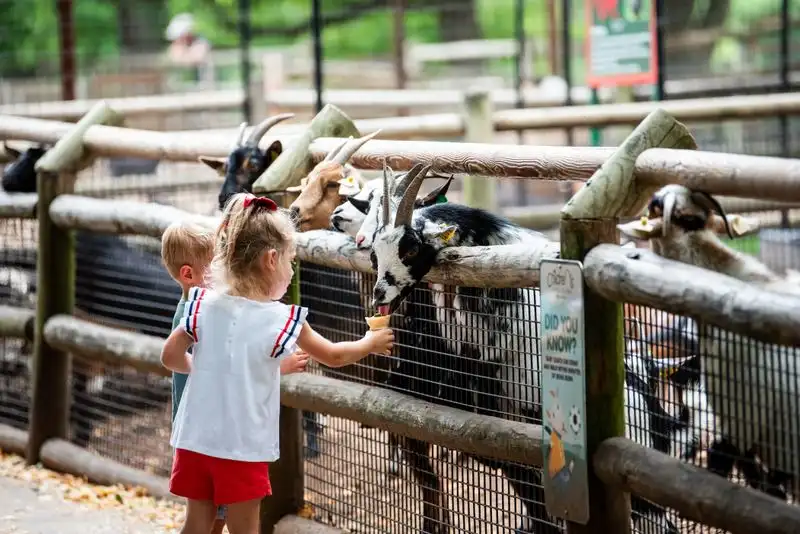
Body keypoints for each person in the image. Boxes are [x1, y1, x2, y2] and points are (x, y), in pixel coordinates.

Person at [161, 194, 394, 534]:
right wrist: (369, 343)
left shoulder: (203, 304)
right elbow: (332, 355)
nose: (291, 269)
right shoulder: (281, 318)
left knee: (196, 524)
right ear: (271, 259)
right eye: (291, 261)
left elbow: (170, 357)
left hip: (194, 440)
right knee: (245, 528)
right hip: (241, 448)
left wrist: (200, 372)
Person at [160, 218, 312, 534]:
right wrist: (276, 366)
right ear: (189, 275)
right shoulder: (197, 309)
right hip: (215, 433)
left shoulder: (199, 309)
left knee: (208, 518)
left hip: (204, 432)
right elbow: (229, 366)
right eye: (216, 270)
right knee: (219, 518)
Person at [164, 13, 212, 85]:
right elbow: (172, 58)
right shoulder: (176, 46)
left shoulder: (201, 43)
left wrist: (184, 56)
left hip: (203, 88)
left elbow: (197, 58)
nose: (177, 40)